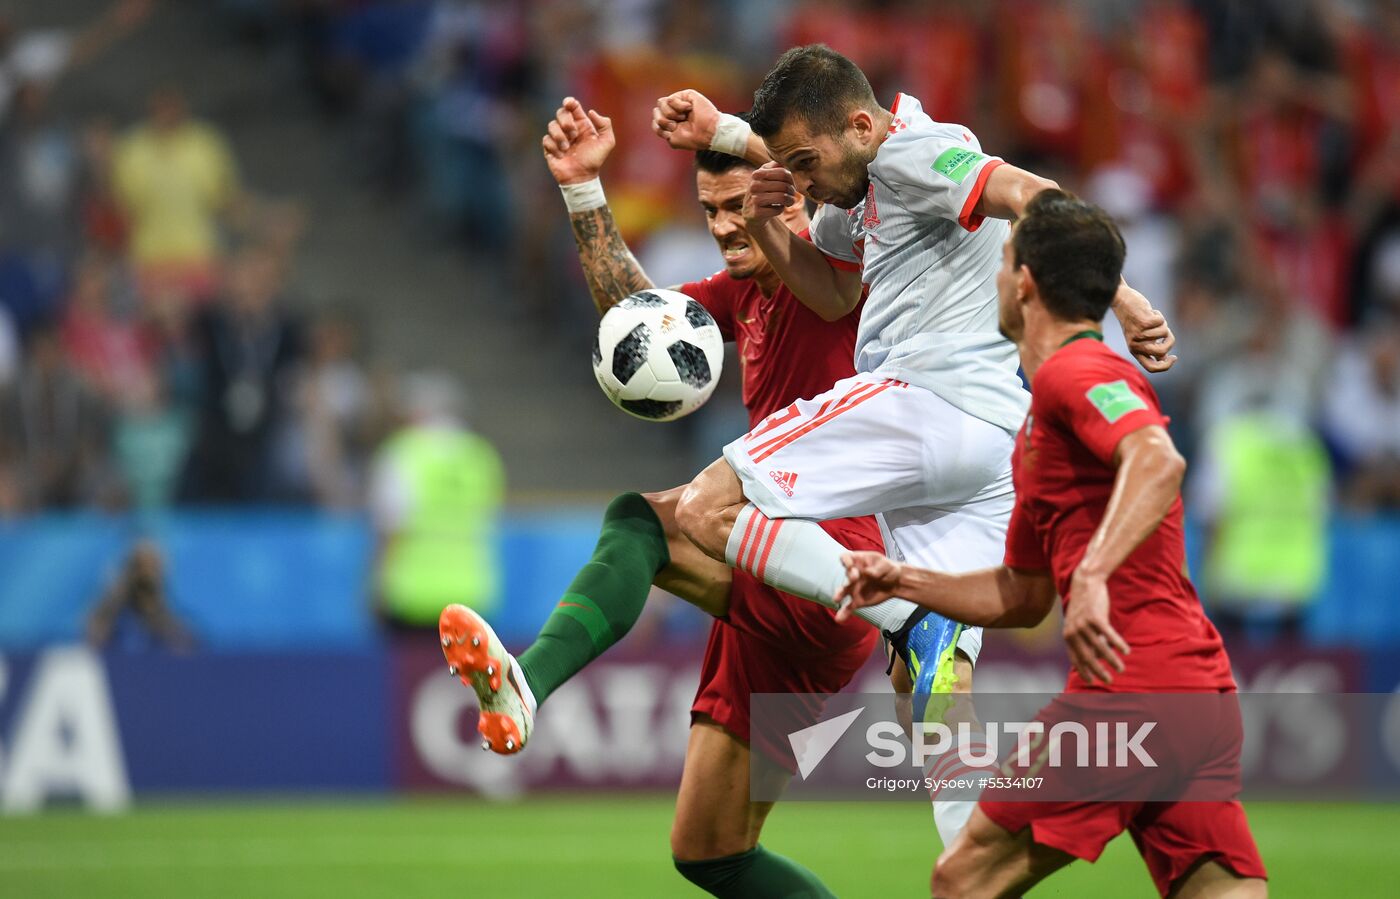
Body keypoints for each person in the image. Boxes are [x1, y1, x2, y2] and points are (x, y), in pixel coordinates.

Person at [438, 95, 962, 898]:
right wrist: (584, 191)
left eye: (736, 205)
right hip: (775, 584)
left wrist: (729, 131)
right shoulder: (740, 292)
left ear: (785, 193)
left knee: (639, 520)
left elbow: (844, 182)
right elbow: (643, 326)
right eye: (709, 210)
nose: (723, 226)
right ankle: (525, 688)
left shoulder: (846, 274)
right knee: (710, 849)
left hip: (829, 559)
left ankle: (529, 682)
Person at [649, 46, 1173, 725]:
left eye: (805, 165)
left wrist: (1119, 299)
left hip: (925, 400)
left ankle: (905, 612)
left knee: (703, 508)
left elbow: (1032, 195)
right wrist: (755, 211)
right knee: (925, 697)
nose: (802, 183)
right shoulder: (851, 193)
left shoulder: (916, 153)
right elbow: (837, 296)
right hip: (985, 447)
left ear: (863, 128)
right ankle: (982, 833)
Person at [835, 190, 1266, 898]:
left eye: (1001, 264)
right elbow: (1021, 592)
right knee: (1218, 887)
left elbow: (1157, 459)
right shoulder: (1041, 415)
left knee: (964, 879)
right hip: (1193, 689)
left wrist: (1092, 575)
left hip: (1129, 686)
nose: (995, 281)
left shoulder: (1078, 371)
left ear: (1024, 282)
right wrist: (904, 580)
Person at [371, 371, 504, 630]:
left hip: (410, 595)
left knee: (411, 670)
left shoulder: (402, 453)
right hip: (471, 593)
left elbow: (390, 527)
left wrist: (378, 586)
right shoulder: (481, 456)